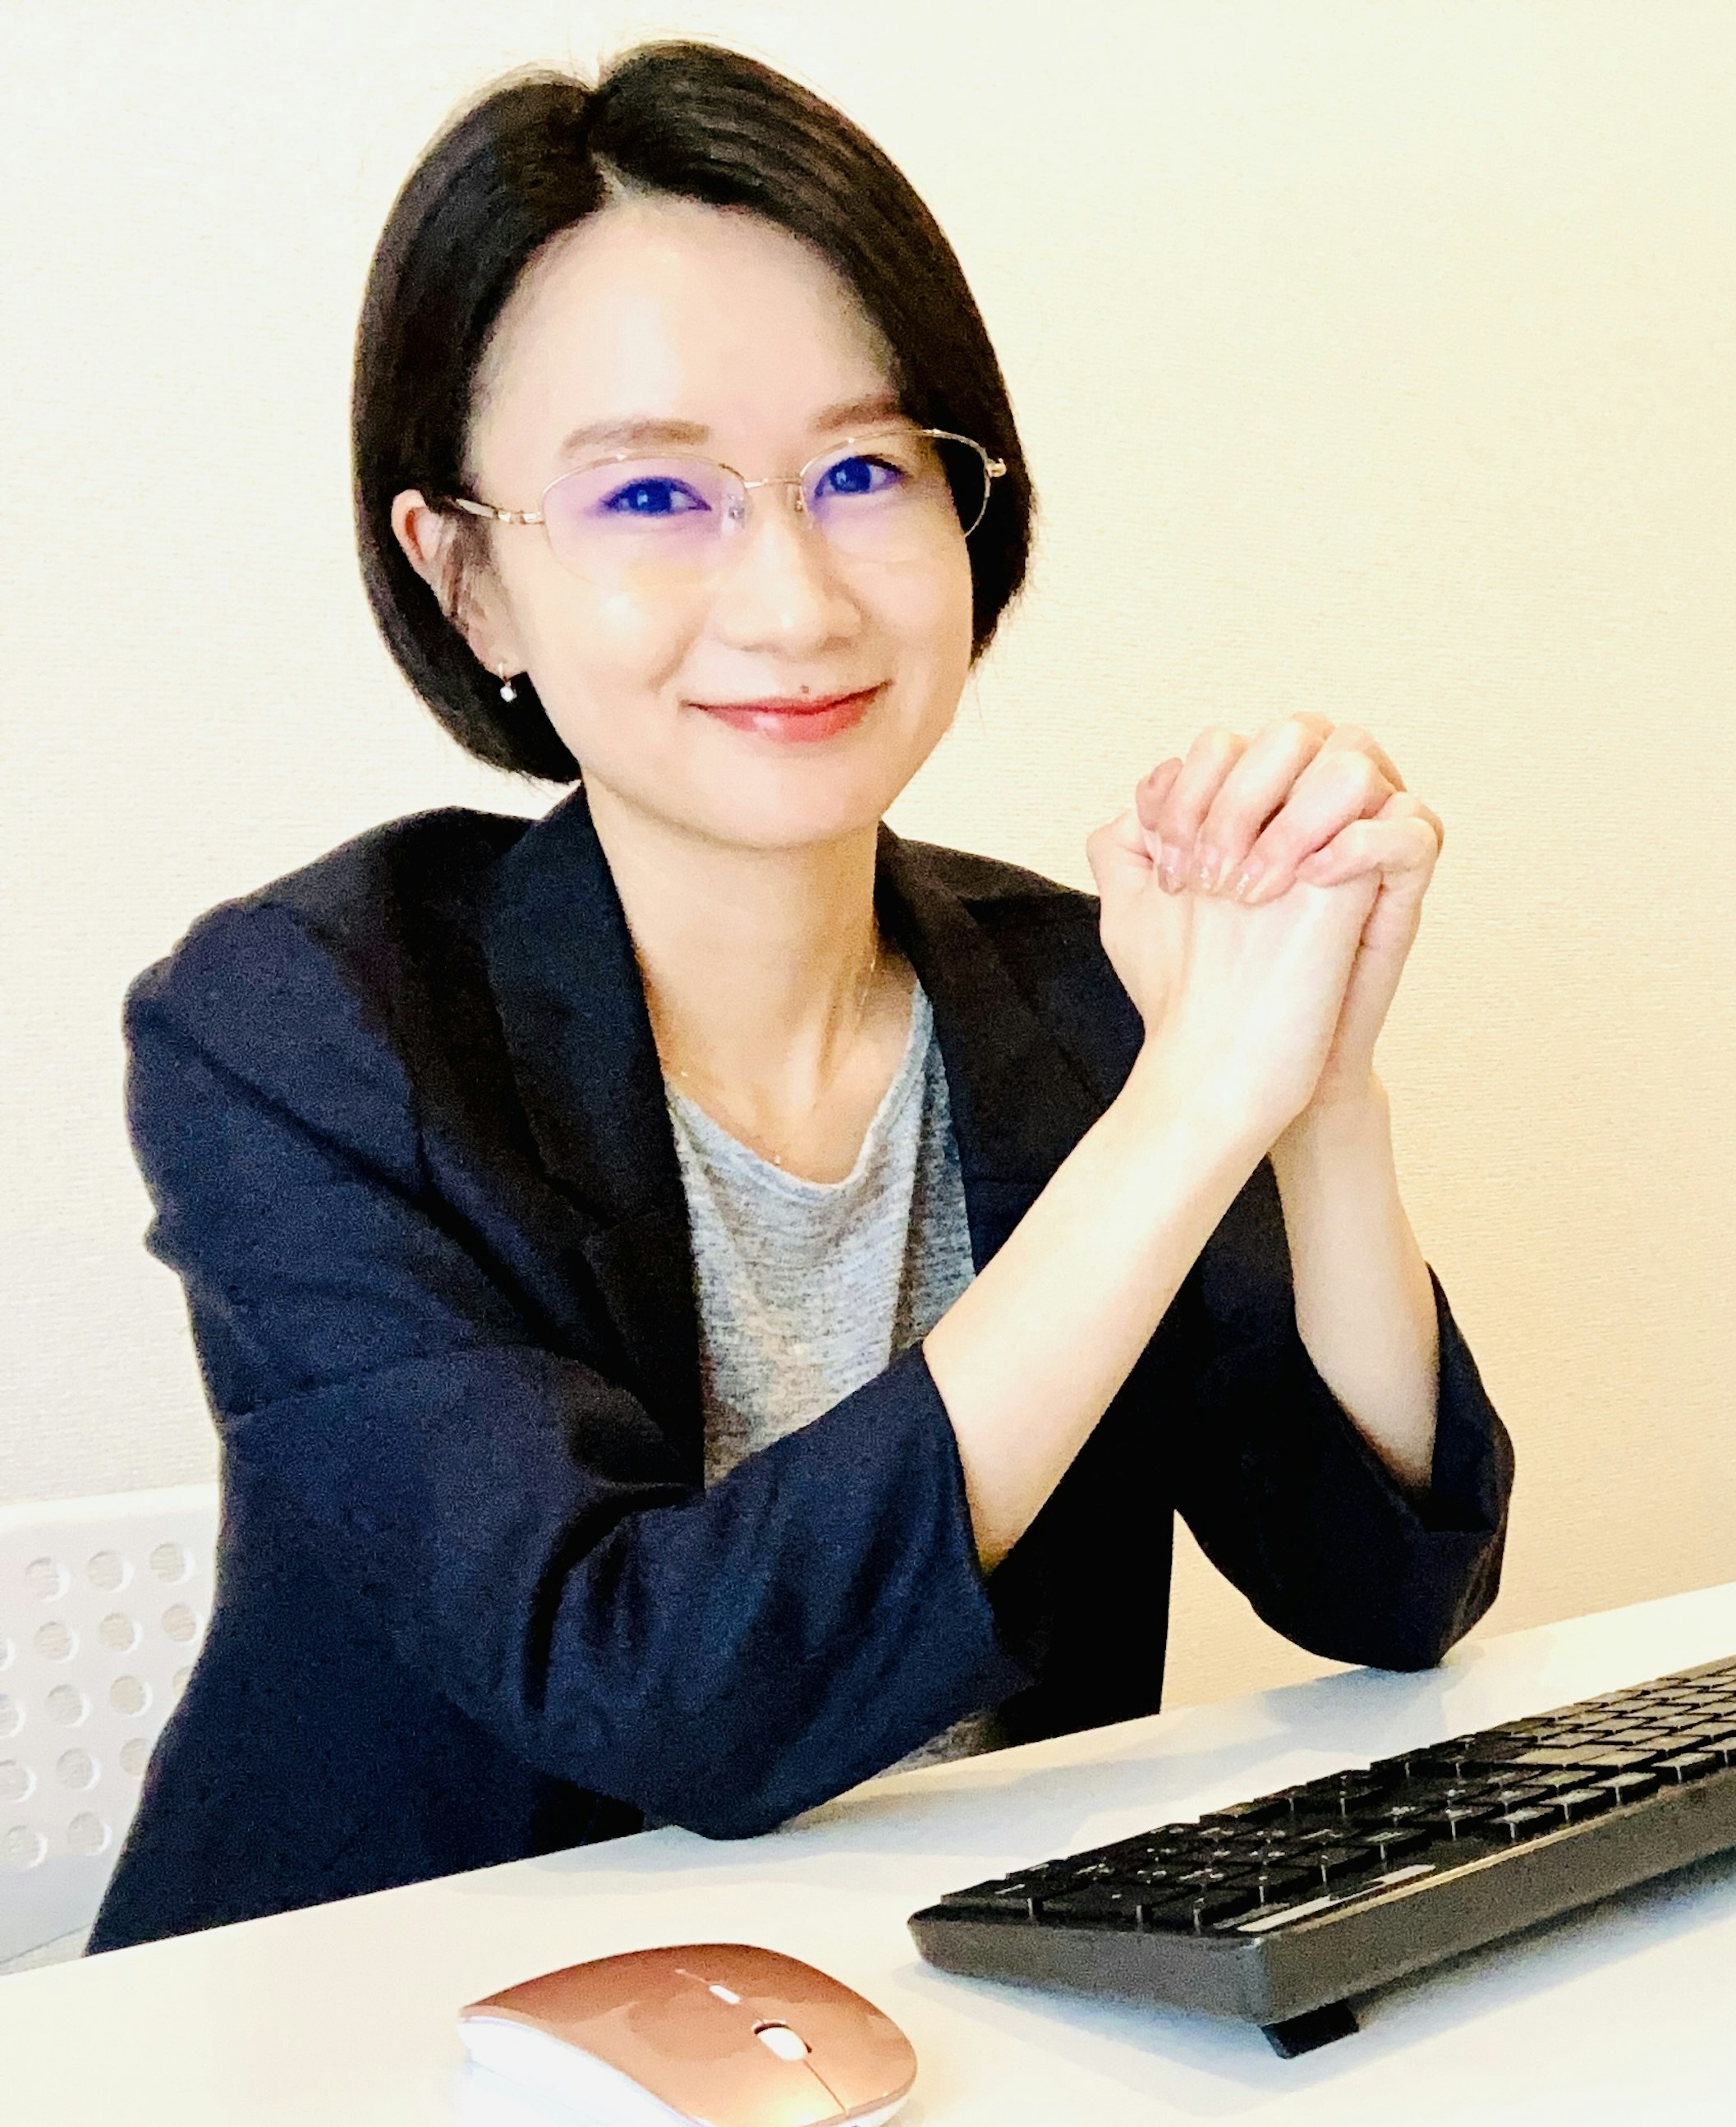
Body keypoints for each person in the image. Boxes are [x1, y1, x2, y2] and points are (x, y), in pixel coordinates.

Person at [89, 41, 1513, 1950]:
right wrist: (1186, 1118)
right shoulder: (302, 1027)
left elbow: (1385, 1590)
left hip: (952, 2046)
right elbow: (662, 1684)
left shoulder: (1065, 994)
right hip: (392, 2072)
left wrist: (1317, 1094)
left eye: (862, 471)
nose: (792, 597)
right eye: (654, 498)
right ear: (469, 584)